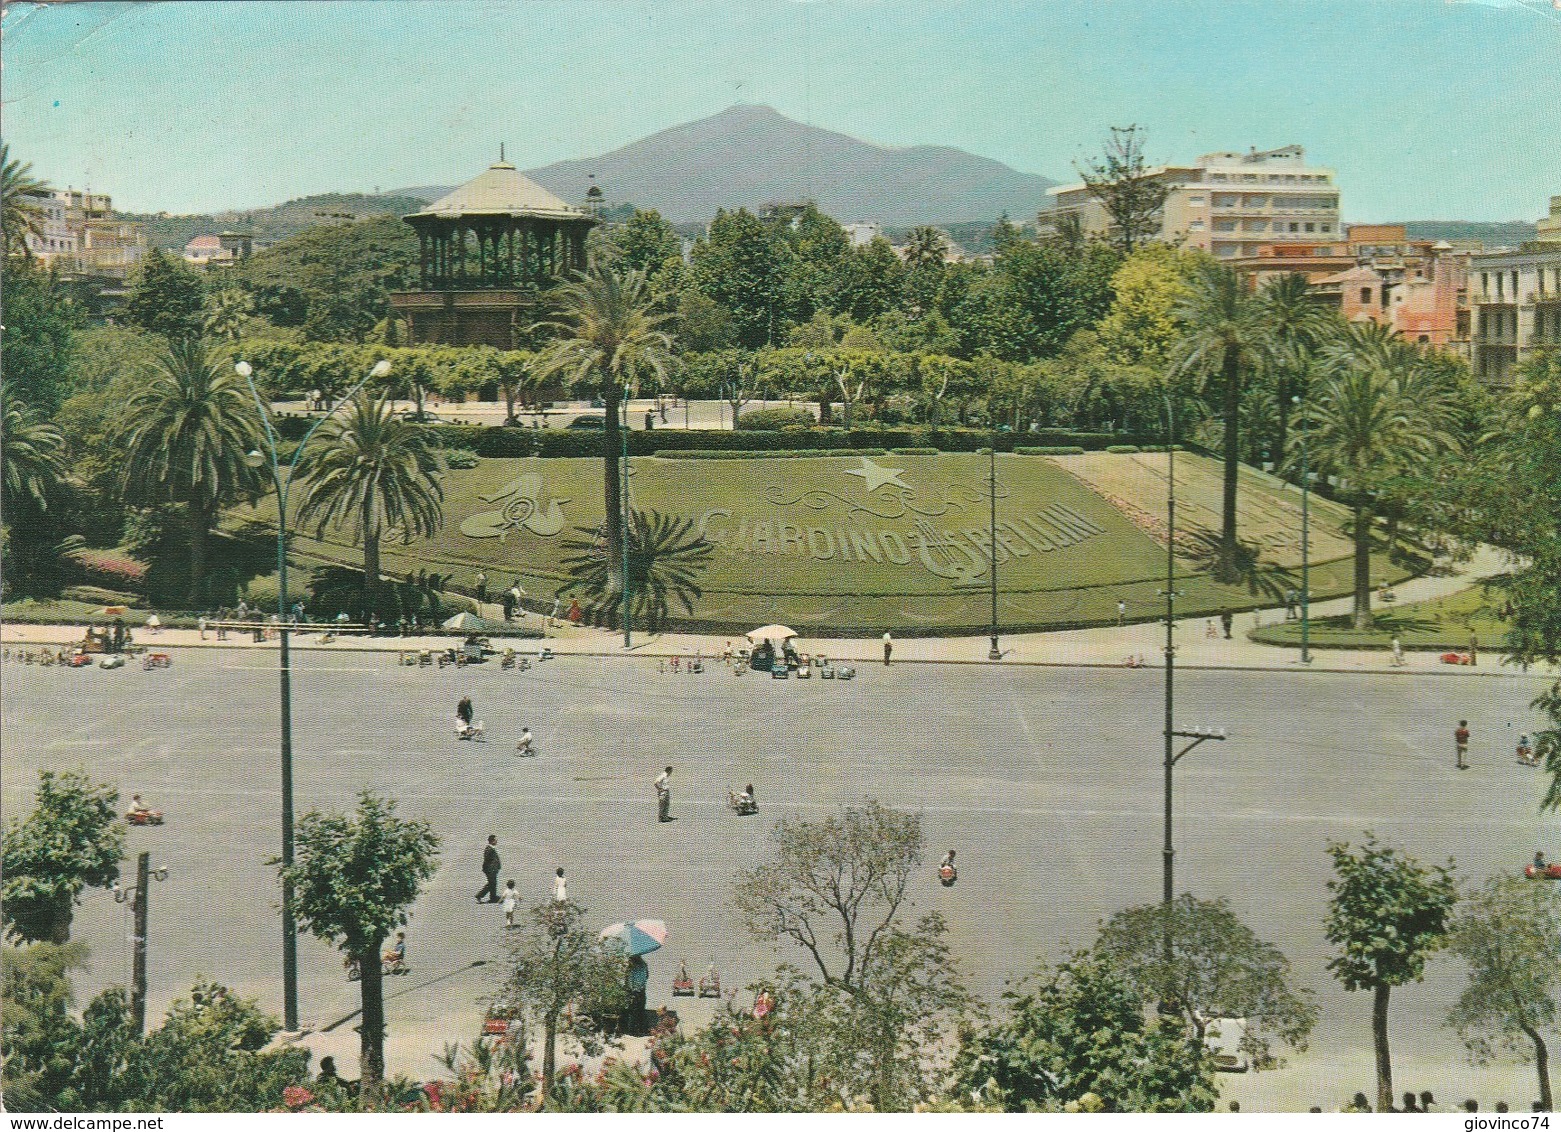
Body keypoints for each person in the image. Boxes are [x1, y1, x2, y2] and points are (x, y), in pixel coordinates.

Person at [476, 835, 501, 903]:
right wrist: (488, 869)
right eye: (496, 840)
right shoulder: (489, 849)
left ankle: (493, 897)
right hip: (490, 870)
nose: (497, 841)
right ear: (492, 841)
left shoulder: (491, 848)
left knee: (493, 883)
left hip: (492, 869)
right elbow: (486, 860)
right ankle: (480, 895)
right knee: (491, 883)